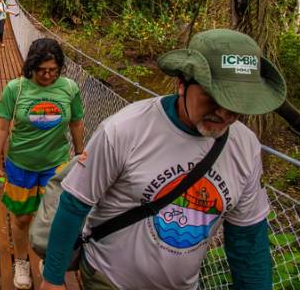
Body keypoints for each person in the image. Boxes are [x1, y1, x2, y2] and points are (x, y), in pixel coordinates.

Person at [39, 28, 286, 290]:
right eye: (213, 98)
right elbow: (75, 203)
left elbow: (248, 242)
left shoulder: (245, 147)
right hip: (109, 279)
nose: (224, 113)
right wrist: (53, 280)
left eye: (237, 103)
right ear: (182, 83)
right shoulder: (125, 129)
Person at [0, 38, 87, 289]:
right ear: (32, 66)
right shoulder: (16, 89)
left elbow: (76, 122)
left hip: (56, 165)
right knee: (22, 218)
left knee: (55, 217)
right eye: (42, 70)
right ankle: (21, 262)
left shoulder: (69, 88)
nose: (47, 75)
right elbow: (0, 128)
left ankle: (48, 260)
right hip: (21, 165)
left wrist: (80, 155)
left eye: (53, 70)